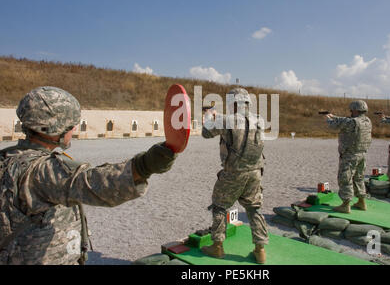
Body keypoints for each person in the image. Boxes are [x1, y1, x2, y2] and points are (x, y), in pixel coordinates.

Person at [0, 86, 177, 265]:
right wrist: (144, 165)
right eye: (70, 124)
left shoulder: (7, 158)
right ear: (54, 128)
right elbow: (92, 183)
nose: (75, 128)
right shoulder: (42, 170)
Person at [201, 88, 268, 264]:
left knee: (219, 206)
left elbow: (206, 133)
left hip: (233, 172)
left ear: (233, 102)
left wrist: (209, 116)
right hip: (255, 171)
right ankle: (260, 250)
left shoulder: (227, 120)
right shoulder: (259, 119)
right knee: (254, 208)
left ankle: (217, 247)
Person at [325, 100, 372, 214]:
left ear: (355, 110)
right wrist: (334, 116)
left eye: (351, 110)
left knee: (345, 178)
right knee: (359, 178)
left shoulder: (352, 122)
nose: (350, 112)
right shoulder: (367, 121)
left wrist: (328, 119)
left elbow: (333, 126)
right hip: (362, 154)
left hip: (350, 155)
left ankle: (345, 205)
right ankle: (361, 201)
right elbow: (345, 120)